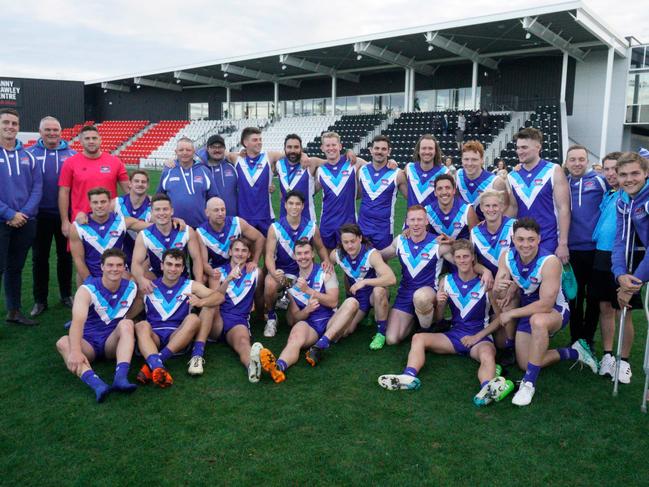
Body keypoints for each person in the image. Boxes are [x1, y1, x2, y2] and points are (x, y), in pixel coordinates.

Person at [378, 240, 514, 407]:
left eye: (466, 256)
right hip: (454, 336)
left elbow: (499, 319)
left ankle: (487, 389)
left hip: (479, 338)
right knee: (418, 338)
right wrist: (440, 305)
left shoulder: (486, 284)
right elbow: (438, 320)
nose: (462, 260)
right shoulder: (446, 281)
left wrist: (476, 337)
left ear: (473, 258)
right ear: (454, 260)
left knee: (487, 354)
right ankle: (409, 376)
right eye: (459, 257)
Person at [491, 218, 598, 406]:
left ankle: (528, 384)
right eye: (521, 239)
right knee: (525, 362)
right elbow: (498, 293)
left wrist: (511, 314)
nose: (526, 245)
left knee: (538, 322)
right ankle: (574, 353)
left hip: (555, 311)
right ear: (513, 239)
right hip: (528, 309)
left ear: (539, 239)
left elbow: (546, 305)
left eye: (531, 239)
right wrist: (498, 288)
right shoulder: (506, 256)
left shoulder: (550, 261)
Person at [259, 241, 359, 383]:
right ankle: (279, 367)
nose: (303, 257)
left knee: (352, 303)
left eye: (306, 253)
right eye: (299, 254)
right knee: (294, 337)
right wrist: (307, 310)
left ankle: (321, 345)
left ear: (312, 254)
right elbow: (295, 318)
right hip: (310, 325)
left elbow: (333, 301)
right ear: (294, 256)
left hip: (332, 322)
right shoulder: (291, 282)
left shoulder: (325, 271)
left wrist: (308, 291)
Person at [55, 249, 137, 403]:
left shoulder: (131, 287)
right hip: (89, 344)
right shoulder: (87, 289)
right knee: (62, 342)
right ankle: (98, 385)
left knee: (127, 323)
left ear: (124, 268)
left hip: (111, 343)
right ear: (102, 267)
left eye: (119, 265)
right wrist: (76, 351)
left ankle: (120, 378)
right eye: (110, 265)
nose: (114, 269)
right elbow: (77, 323)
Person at [135, 249, 223, 386]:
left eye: (177, 265)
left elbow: (219, 297)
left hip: (178, 336)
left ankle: (152, 364)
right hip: (154, 338)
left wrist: (201, 302)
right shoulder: (149, 286)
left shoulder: (189, 285)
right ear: (162, 265)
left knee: (194, 318)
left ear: (182, 268)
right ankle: (159, 367)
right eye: (169, 264)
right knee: (140, 325)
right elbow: (129, 312)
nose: (173, 269)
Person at [591, 152, 634, 383]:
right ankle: (608, 356)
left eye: (614, 169)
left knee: (623, 309)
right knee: (605, 307)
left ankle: (624, 361)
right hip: (602, 254)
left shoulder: (632, 194)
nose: (610, 173)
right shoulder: (609, 194)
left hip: (624, 256)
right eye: (606, 169)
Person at [263, 190, 330, 337]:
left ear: (302, 206)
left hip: (304, 275)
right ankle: (271, 317)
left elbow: (320, 248)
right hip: (284, 275)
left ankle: (292, 301)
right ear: (285, 205)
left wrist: (326, 260)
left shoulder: (311, 226)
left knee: (293, 318)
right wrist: (274, 272)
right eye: (291, 203)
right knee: (269, 284)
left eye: (297, 204)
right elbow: (268, 255)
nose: (294, 207)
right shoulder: (275, 227)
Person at [28, 116, 75, 317]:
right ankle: (40, 300)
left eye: (55, 129)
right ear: (40, 132)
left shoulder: (72, 155)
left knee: (65, 257)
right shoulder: (29, 154)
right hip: (40, 215)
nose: (52, 133)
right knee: (39, 258)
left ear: (61, 131)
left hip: (66, 215)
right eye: (47, 130)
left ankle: (66, 295)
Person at [0, 108, 42, 326]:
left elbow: (37, 187)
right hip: (2, 221)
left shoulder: (29, 156)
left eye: (14, 123)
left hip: (26, 221)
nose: (10, 127)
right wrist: (8, 213)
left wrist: (23, 214)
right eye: (6, 122)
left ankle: (14, 311)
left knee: (15, 268)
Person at [379, 205, 445, 345]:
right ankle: (417, 317)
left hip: (427, 293)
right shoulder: (400, 241)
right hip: (405, 293)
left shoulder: (438, 243)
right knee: (392, 339)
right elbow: (379, 256)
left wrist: (483, 271)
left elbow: (462, 257)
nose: (416, 224)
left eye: (420, 220)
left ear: (426, 221)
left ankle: (426, 330)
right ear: (407, 222)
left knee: (420, 298)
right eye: (412, 220)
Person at [610, 152, 649, 382]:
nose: (629, 179)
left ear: (646, 173)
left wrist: (632, 284)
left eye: (635, 173)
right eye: (623, 174)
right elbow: (621, 241)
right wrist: (620, 276)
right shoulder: (624, 200)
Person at [564, 145, 607, 348]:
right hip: (572, 249)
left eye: (581, 159)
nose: (577, 163)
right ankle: (575, 338)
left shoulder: (600, 180)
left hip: (596, 249)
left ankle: (588, 338)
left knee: (593, 297)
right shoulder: (564, 183)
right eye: (572, 159)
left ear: (587, 160)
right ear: (566, 162)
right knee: (574, 296)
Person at [506, 128, 570, 263]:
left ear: (538, 147)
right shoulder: (512, 176)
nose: (519, 151)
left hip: (548, 239)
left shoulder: (553, 170)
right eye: (517, 148)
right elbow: (513, 209)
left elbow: (563, 208)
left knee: (547, 282)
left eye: (524, 147)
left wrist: (563, 243)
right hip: (522, 242)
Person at [206, 237, 265, 383]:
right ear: (230, 252)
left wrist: (261, 316)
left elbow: (259, 297)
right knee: (210, 308)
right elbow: (213, 299)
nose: (240, 253)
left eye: (244, 250)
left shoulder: (256, 273)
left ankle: (252, 366)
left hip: (238, 321)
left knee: (243, 342)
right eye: (237, 250)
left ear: (249, 254)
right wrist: (227, 280)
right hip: (216, 321)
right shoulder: (218, 272)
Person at [331, 223, 396, 350]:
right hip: (358, 299)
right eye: (346, 242)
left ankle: (381, 332)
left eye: (353, 241)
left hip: (374, 295)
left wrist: (365, 282)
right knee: (343, 332)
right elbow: (329, 262)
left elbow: (391, 279)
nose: (349, 245)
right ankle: (364, 315)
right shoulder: (337, 254)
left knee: (378, 291)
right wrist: (327, 264)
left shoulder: (371, 254)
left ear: (360, 238)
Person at [470, 189, 516, 362]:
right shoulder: (475, 232)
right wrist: (485, 270)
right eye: (487, 206)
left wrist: (511, 282)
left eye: (495, 205)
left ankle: (510, 344)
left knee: (503, 343)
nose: (491, 209)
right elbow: (474, 263)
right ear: (481, 208)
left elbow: (521, 258)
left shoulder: (513, 226)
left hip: (511, 282)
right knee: (498, 341)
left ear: (502, 207)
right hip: (488, 284)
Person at [58, 125, 129, 237]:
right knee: (80, 254)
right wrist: (65, 221)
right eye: (87, 138)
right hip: (81, 219)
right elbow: (64, 193)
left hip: (110, 220)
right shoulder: (70, 163)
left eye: (94, 138)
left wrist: (146, 203)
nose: (91, 141)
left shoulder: (115, 162)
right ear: (80, 141)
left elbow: (129, 190)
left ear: (100, 140)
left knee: (112, 254)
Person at [131, 193, 203, 295]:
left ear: (172, 211)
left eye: (165, 209)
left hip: (181, 280)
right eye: (157, 209)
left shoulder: (186, 231)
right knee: (136, 287)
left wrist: (198, 284)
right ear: (151, 212)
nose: (161, 213)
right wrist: (141, 279)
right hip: (156, 280)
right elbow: (136, 263)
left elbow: (196, 260)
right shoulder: (144, 235)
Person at [70, 188, 129, 286]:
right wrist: (90, 282)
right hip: (90, 278)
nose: (99, 206)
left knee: (132, 280)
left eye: (103, 202)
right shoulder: (77, 226)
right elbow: (78, 259)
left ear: (110, 202)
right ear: (90, 204)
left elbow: (152, 227)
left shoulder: (122, 221)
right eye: (95, 202)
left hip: (116, 275)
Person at [357, 135, 408, 250]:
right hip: (362, 228)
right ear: (371, 150)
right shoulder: (361, 170)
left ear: (389, 151)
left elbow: (411, 199)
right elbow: (356, 195)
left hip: (383, 230)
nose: (379, 152)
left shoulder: (397, 174)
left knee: (382, 264)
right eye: (377, 148)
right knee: (361, 264)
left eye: (383, 149)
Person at [157, 137, 219, 228]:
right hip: (173, 226)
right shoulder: (168, 171)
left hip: (201, 226)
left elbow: (214, 199)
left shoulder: (205, 171)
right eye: (181, 150)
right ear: (176, 152)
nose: (184, 153)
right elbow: (159, 198)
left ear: (194, 151)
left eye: (188, 150)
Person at [314, 131, 358, 251]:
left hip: (348, 223)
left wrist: (392, 162)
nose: (331, 148)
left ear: (340, 146)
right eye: (327, 145)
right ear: (322, 148)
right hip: (327, 223)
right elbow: (310, 192)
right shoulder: (320, 170)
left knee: (349, 264)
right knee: (328, 263)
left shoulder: (353, 163)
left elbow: (374, 165)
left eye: (334, 145)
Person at [456, 140, 508, 219]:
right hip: (462, 230)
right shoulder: (458, 175)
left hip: (486, 229)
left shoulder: (496, 182)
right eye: (466, 159)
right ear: (461, 160)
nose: (469, 163)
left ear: (482, 160)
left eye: (474, 159)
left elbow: (504, 211)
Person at [425, 174, 478, 243]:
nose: (444, 192)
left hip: (462, 252)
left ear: (454, 190)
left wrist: (454, 243)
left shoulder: (467, 210)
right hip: (439, 252)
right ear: (435, 192)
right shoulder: (427, 211)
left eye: (447, 188)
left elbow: (476, 241)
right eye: (440, 188)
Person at [114, 170, 151, 268]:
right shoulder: (116, 203)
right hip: (120, 257)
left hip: (146, 259)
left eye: (143, 182)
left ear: (148, 185)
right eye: (136, 181)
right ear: (130, 184)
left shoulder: (153, 205)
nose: (140, 184)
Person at [277, 134, 317, 221]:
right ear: (284, 149)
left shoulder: (310, 163)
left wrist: (348, 152)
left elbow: (331, 161)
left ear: (301, 149)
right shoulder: (278, 164)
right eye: (289, 147)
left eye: (296, 147)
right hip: (284, 219)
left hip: (307, 220)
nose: (292, 150)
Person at [198, 134, 238, 216]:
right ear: (207, 149)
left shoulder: (233, 165)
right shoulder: (201, 169)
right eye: (213, 147)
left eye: (220, 147)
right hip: (209, 221)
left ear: (225, 149)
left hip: (232, 219)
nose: (217, 150)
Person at [404, 134, 448, 208]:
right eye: (424, 148)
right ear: (418, 150)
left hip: (433, 219)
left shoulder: (445, 172)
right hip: (412, 219)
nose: (427, 152)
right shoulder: (409, 168)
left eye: (430, 148)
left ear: (436, 151)